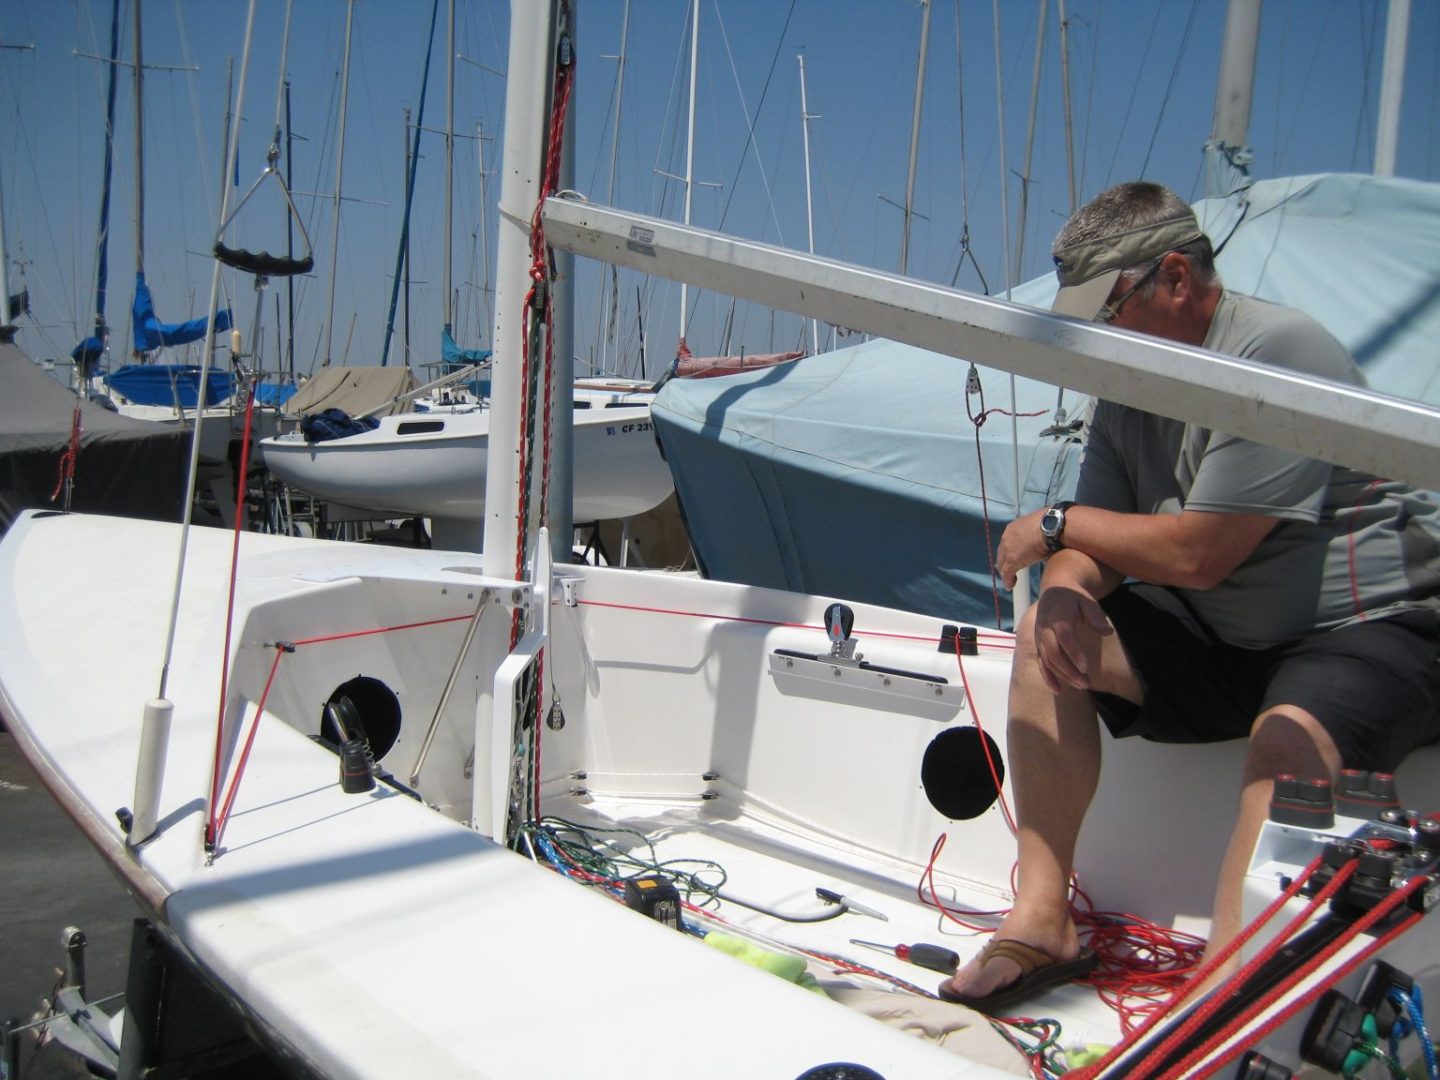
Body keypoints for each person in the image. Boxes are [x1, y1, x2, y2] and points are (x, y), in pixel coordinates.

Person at [938, 180, 1440, 1014]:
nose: (1099, 333)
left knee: (1287, 737)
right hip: (1232, 644)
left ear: (1175, 277)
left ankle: (1227, 995)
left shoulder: (1278, 353)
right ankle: (1043, 919)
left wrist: (1056, 523)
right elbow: (1090, 544)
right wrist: (1063, 591)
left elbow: (1201, 551)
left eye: (1112, 308)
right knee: (1043, 635)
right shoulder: (1131, 380)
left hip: (1372, 630)